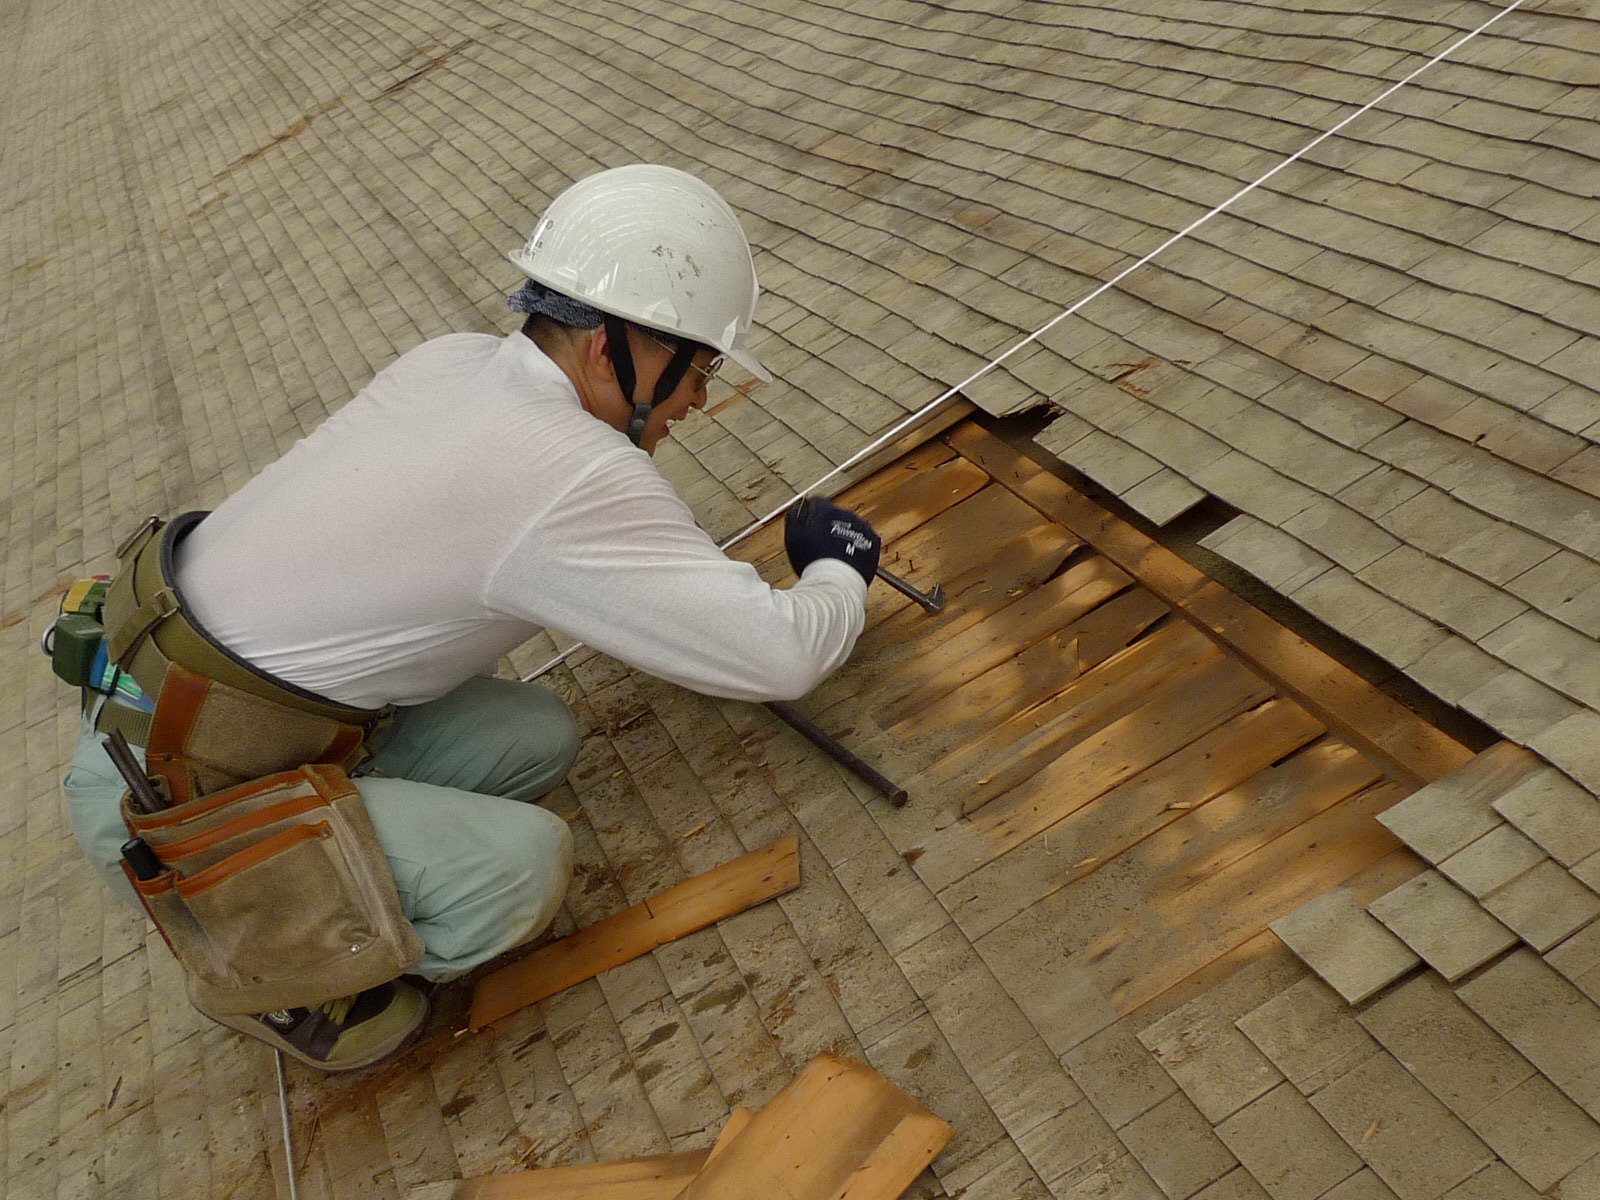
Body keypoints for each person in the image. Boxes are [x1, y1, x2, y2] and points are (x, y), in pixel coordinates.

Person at [62, 164, 880, 1070]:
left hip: (170, 716)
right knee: (517, 872)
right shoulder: (563, 470)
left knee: (534, 734)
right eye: (699, 369)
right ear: (613, 351)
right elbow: (780, 657)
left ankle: (339, 847)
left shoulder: (452, 361)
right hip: (167, 804)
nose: (699, 400)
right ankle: (284, 969)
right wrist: (840, 570)